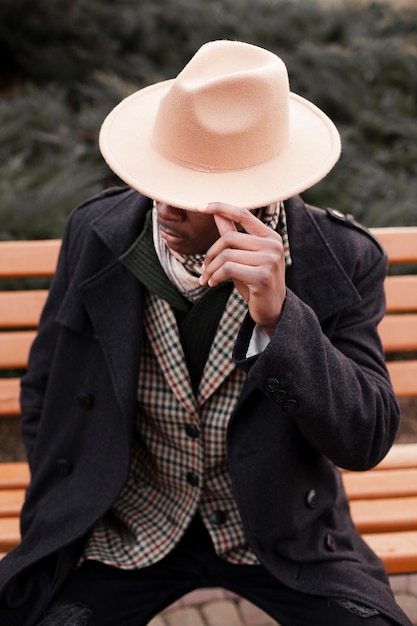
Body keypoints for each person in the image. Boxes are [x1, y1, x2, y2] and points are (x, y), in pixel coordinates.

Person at [0, 40, 412, 626]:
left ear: (260, 188)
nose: (166, 206)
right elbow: (44, 384)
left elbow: (364, 439)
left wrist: (281, 319)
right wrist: (70, 488)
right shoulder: (97, 233)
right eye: (161, 178)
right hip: (124, 525)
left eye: (193, 191)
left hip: (278, 532)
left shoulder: (341, 258)